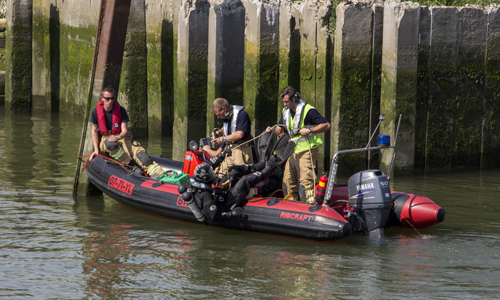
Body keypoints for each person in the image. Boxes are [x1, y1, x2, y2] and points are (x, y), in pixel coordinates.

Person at [266, 86, 330, 204]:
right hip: (292, 151)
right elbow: (280, 130)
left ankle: (309, 205)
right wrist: (272, 130)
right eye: (283, 102)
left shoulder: (308, 110)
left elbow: (326, 125)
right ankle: (292, 206)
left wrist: (310, 130)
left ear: (294, 98)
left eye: (286, 101)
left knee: (305, 180)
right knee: (288, 180)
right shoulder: (286, 112)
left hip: (307, 150)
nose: (285, 104)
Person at [90, 86, 164, 178]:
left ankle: (160, 175)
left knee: (142, 155)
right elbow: (94, 131)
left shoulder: (121, 110)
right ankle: (130, 165)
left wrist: (118, 137)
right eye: (107, 99)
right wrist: (96, 150)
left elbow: (125, 131)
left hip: (123, 136)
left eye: (112, 99)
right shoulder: (95, 112)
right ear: (102, 98)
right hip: (107, 137)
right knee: (110, 144)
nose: (110, 101)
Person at [202, 98, 254, 176]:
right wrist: (220, 132)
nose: (218, 117)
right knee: (221, 175)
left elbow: (239, 134)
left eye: (218, 114)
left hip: (241, 150)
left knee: (243, 176)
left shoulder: (242, 115)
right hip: (229, 150)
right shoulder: (227, 117)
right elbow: (232, 126)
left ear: (224, 109)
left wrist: (222, 139)